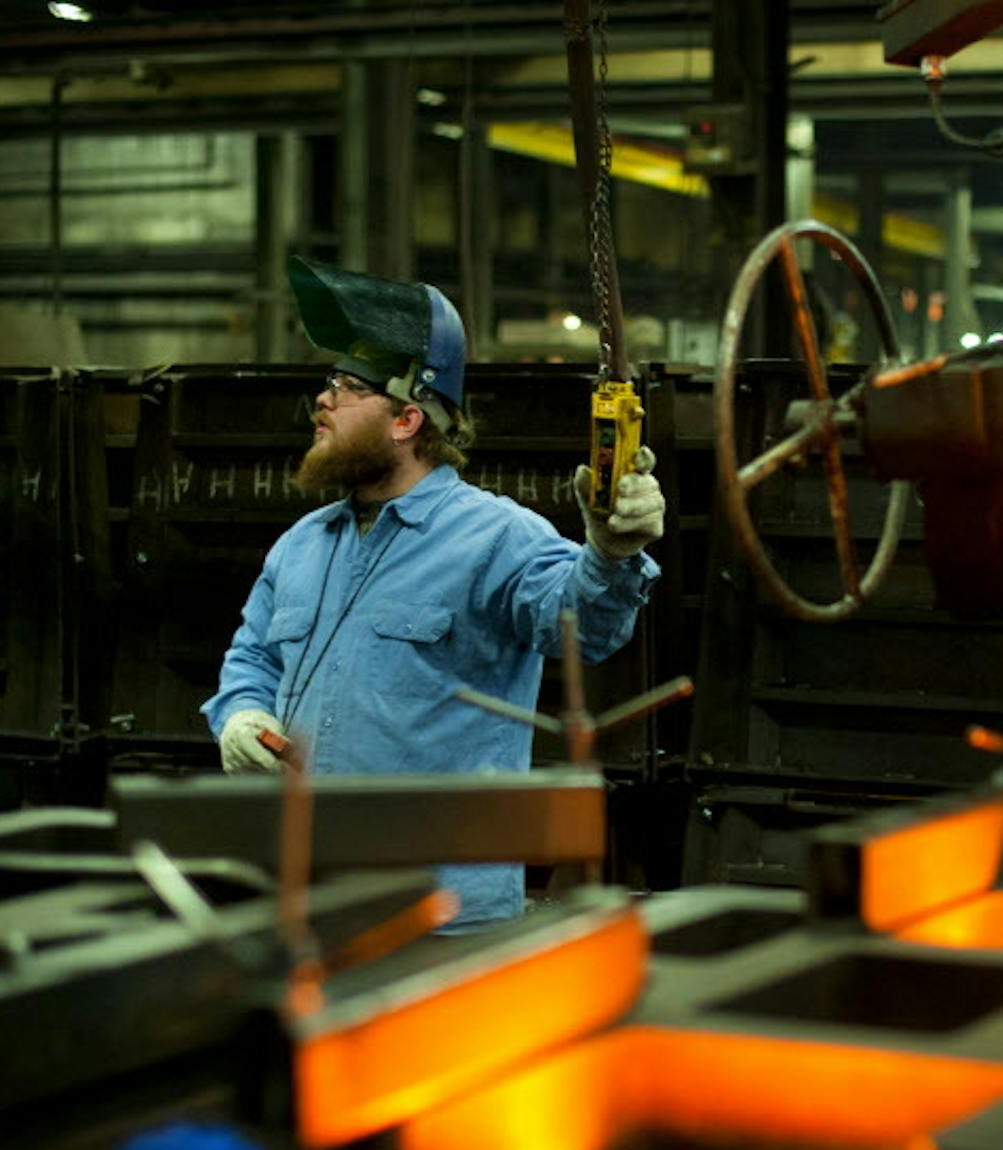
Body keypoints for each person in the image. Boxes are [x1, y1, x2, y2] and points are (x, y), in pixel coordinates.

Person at [200, 258, 664, 928]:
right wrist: (241, 714)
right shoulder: (302, 545)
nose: (321, 400)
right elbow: (253, 658)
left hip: (443, 921)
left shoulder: (495, 537)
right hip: (305, 905)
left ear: (407, 419)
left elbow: (583, 627)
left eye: (346, 385)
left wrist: (613, 554)